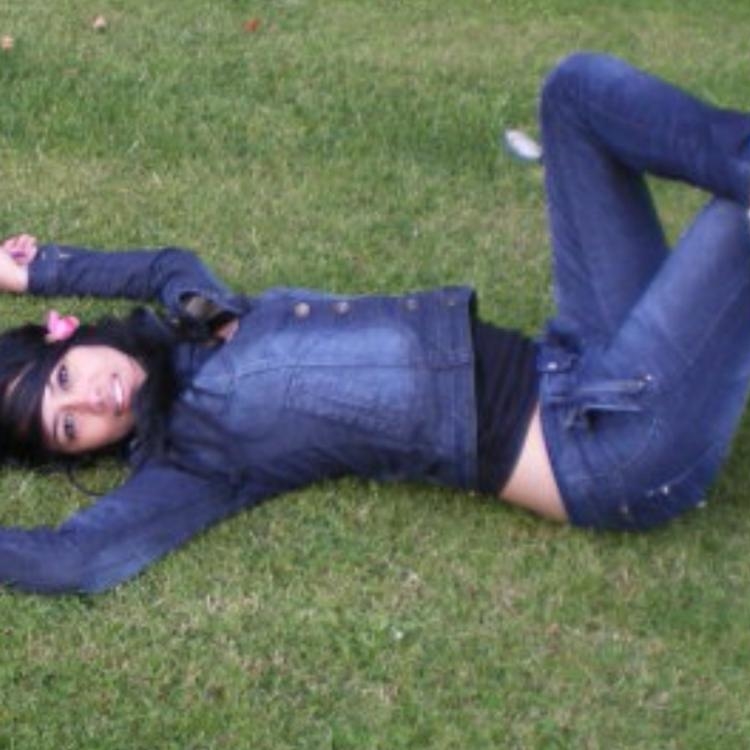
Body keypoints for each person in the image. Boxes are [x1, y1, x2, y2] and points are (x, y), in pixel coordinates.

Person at [0, 51, 749, 594]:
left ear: (73, 337)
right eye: (70, 428)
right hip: (610, 444)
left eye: (65, 380)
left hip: (578, 357)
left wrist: (40, 271)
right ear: (84, 451)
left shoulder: (197, 320)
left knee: (576, 91)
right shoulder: (191, 456)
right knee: (736, 222)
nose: (90, 401)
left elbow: (167, 264)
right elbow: (71, 560)